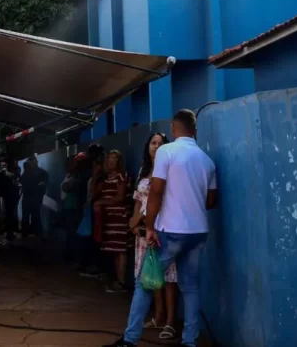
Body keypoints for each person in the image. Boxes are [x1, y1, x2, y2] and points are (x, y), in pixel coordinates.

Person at [105, 110, 218, 347]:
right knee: (190, 286)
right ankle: (189, 341)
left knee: (145, 282)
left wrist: (149, 227)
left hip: (170, 230)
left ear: (174, 129)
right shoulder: (206, 160)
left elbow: (156, 190)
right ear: (194, 131)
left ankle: (130, 339)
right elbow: (211, 201)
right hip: (198, 232)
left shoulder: (167, 152)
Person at [129, 133, 179, 340]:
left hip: (162, 230)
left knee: (168, 278)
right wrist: (133, 222)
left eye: (161, 143)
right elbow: (139, 200)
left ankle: (170, 322)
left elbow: (166, 201)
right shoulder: (144, 172)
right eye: (153, 143)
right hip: (143, 233)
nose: (157, 147)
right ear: (147, 146)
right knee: (150, 277)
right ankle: (158, 317)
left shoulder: (171, 171)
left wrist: (141, 218)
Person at [93, 150, 130, 293]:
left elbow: (120, 197)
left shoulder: (121, 177)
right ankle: (118, 281)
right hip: (109, 219)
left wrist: (101, 202)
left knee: (120, 250)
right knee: (115, 250)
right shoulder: (107, 178)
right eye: (108, 158)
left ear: (118, 161)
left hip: (119, 218)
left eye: (113, 159)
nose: (110, 161)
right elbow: (94, 192)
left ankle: (121, 282)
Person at [20, 155, 48, 238]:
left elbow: (43, 185)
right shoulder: (27, 173)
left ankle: (35, 232)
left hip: (34, 197)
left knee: (34, 216)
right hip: (29, 197)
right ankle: (31, 232)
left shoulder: (40, 173)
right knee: (29, 216)